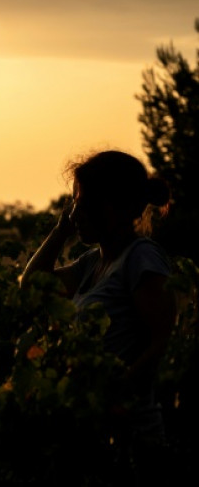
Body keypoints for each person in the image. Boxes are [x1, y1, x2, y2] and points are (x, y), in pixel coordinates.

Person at [20, 150, 177, 480]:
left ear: (112, 206)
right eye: (73, 202)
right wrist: (62, 227)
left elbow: (162, 339)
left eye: (81, 202)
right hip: (94, 431)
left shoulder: (141, 257)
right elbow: (33, 285)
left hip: (132, 435)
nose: (75, 212)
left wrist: (117, 391)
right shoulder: (91, 263)